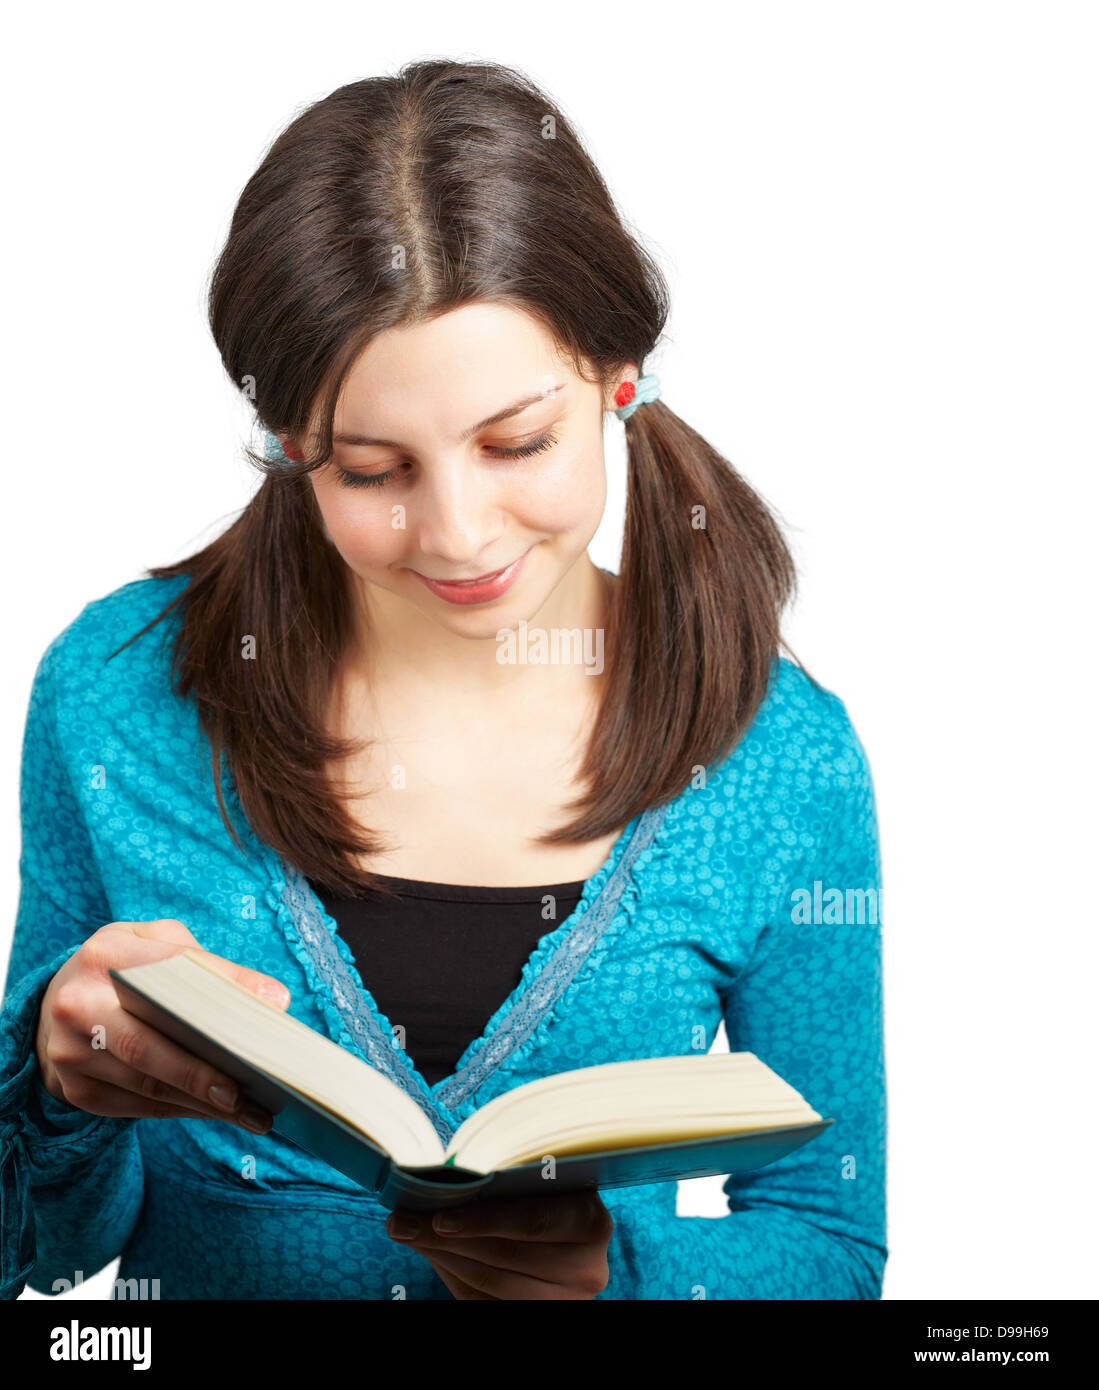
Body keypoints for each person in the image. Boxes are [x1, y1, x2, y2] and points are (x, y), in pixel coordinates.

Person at [0, 57, 887, 1301]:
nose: (460, 534)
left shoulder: (778, 757)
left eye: (516, 442)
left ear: (617, 379)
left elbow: (832, 1244)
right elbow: (37, 1248)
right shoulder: (116, 694)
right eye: (372, 470)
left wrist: (619, 1276)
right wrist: (54, 1089)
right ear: (289, 447)